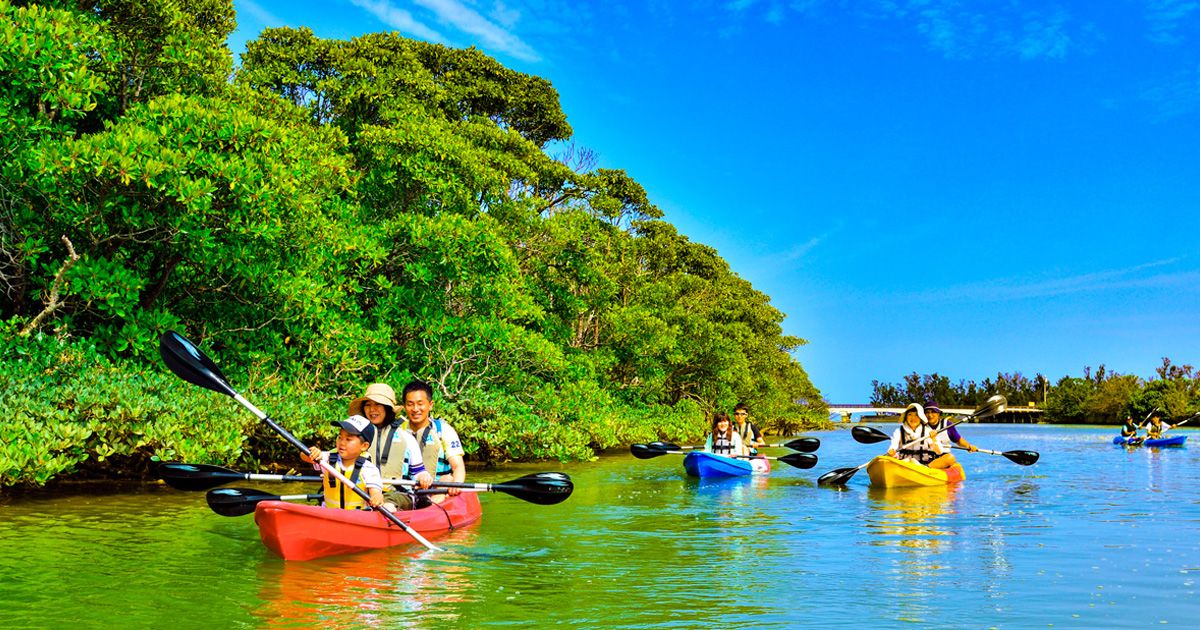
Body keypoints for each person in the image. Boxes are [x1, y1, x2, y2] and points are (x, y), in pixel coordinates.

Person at [349, 383, 433, 510]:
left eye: (378, 404)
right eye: (368, 405)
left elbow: (418, 472)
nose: (372, 410)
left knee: (388, 506)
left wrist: (423, 477)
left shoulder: (407, 438)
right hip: (361, 493)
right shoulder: (353, 437)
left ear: (388, 408)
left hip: (395, 494)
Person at [400, 380, 467, 502]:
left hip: (437, 489)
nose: (415, 409)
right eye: (410, 404)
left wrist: (456, 484)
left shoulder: (444, 430)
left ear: (430, 405)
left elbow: (457, 466)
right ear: (404, 406)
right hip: (406, 489)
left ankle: (431, 507)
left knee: (447, 479)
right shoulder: (397, 431)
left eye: (420, 404)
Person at [302, 415, 386, 511]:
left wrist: (376, 497)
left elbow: (376, 491)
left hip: (358, 517)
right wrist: (311, 453)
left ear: (364, 446)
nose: (342, 442)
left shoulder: (369, 469)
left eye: (348, 439)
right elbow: (303, 456)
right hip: (328, 514)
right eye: (340, 437)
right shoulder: (327, 459)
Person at [925, 400, 975, 469]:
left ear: (938, 413)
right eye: (927, 412)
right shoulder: (921, 425)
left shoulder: (947, 425)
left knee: (950, 458)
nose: (930, 415)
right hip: (926, 459)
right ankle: (925, 468)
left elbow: (959, 441)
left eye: (933, 412)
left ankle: (926, 469)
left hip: (943, 460)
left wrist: (969, 446)